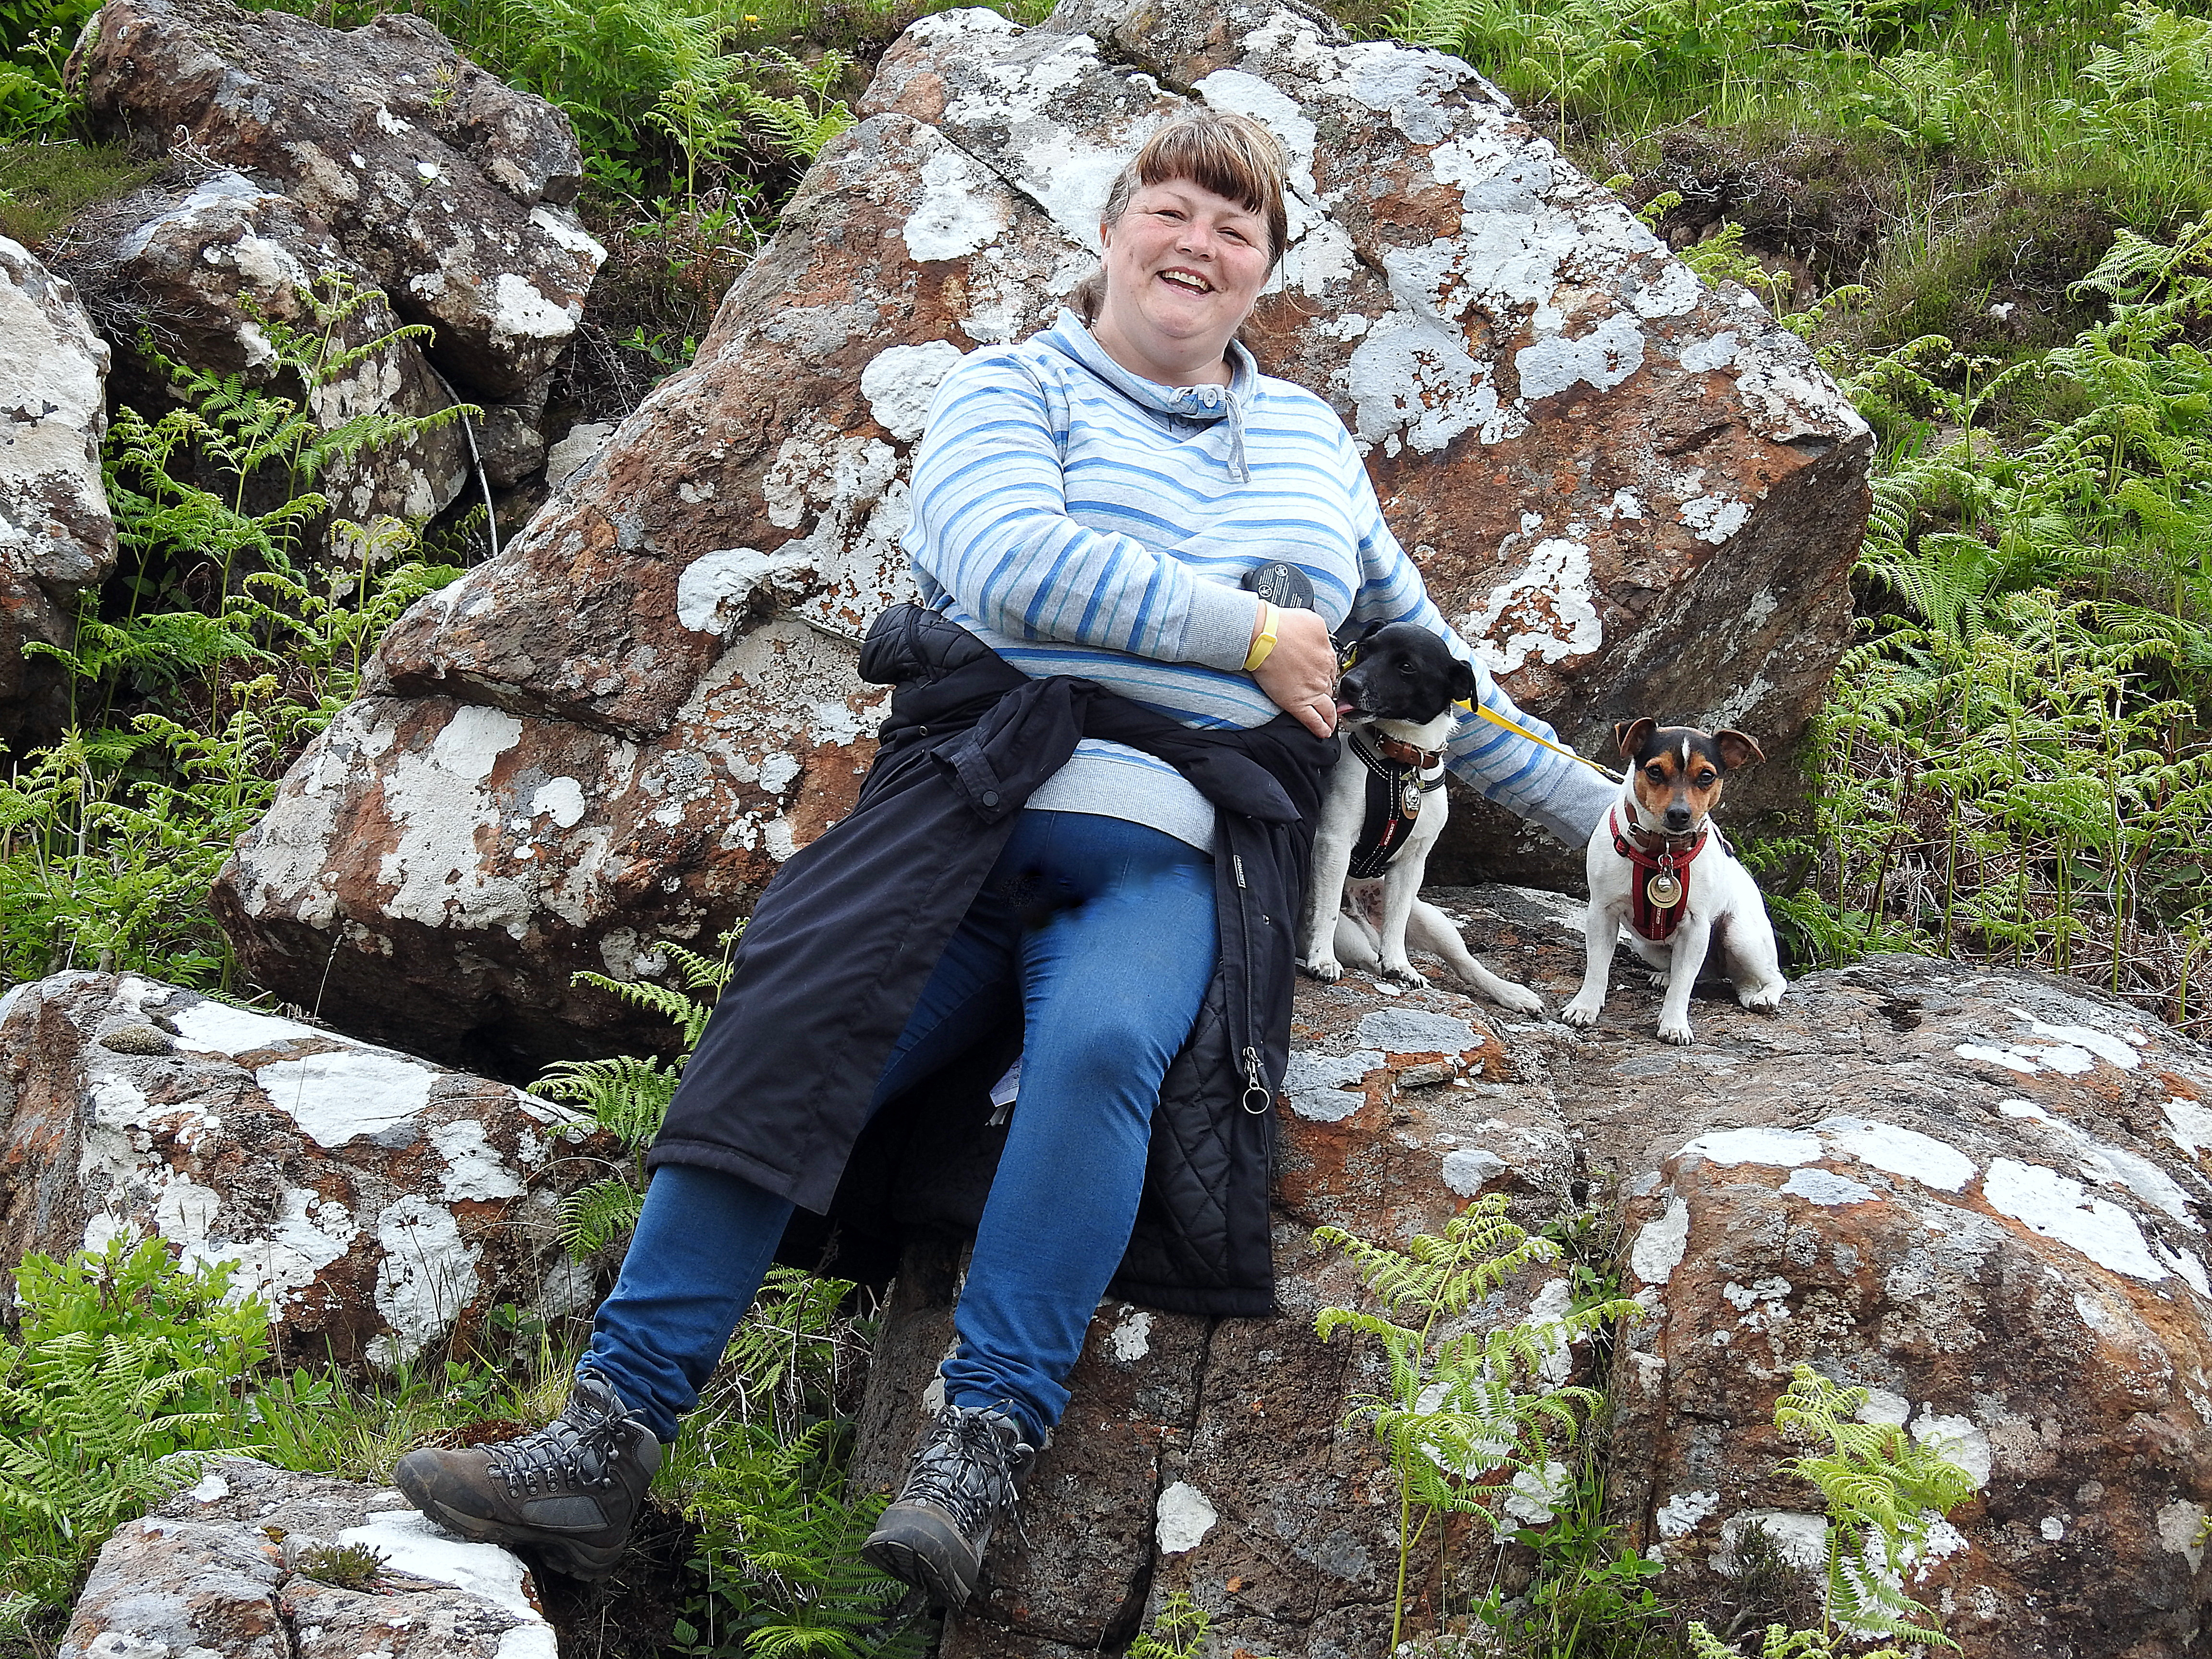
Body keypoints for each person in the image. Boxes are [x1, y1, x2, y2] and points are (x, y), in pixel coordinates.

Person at [395, 108, 1615, 1607]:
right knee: (797, 1020)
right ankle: (608, 1434)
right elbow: (1003, 561)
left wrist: (1612, 815)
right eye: (1172, 210)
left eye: (1236, 230)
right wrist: (1246, 634)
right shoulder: (1009, 389)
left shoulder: (1311, 446)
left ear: (1265, 273)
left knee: (1109, 1048)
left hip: (1176, 857)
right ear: (1112, 234)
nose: (1198, 244)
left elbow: (1437, 675)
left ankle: (978, 1448)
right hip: (963, 820)